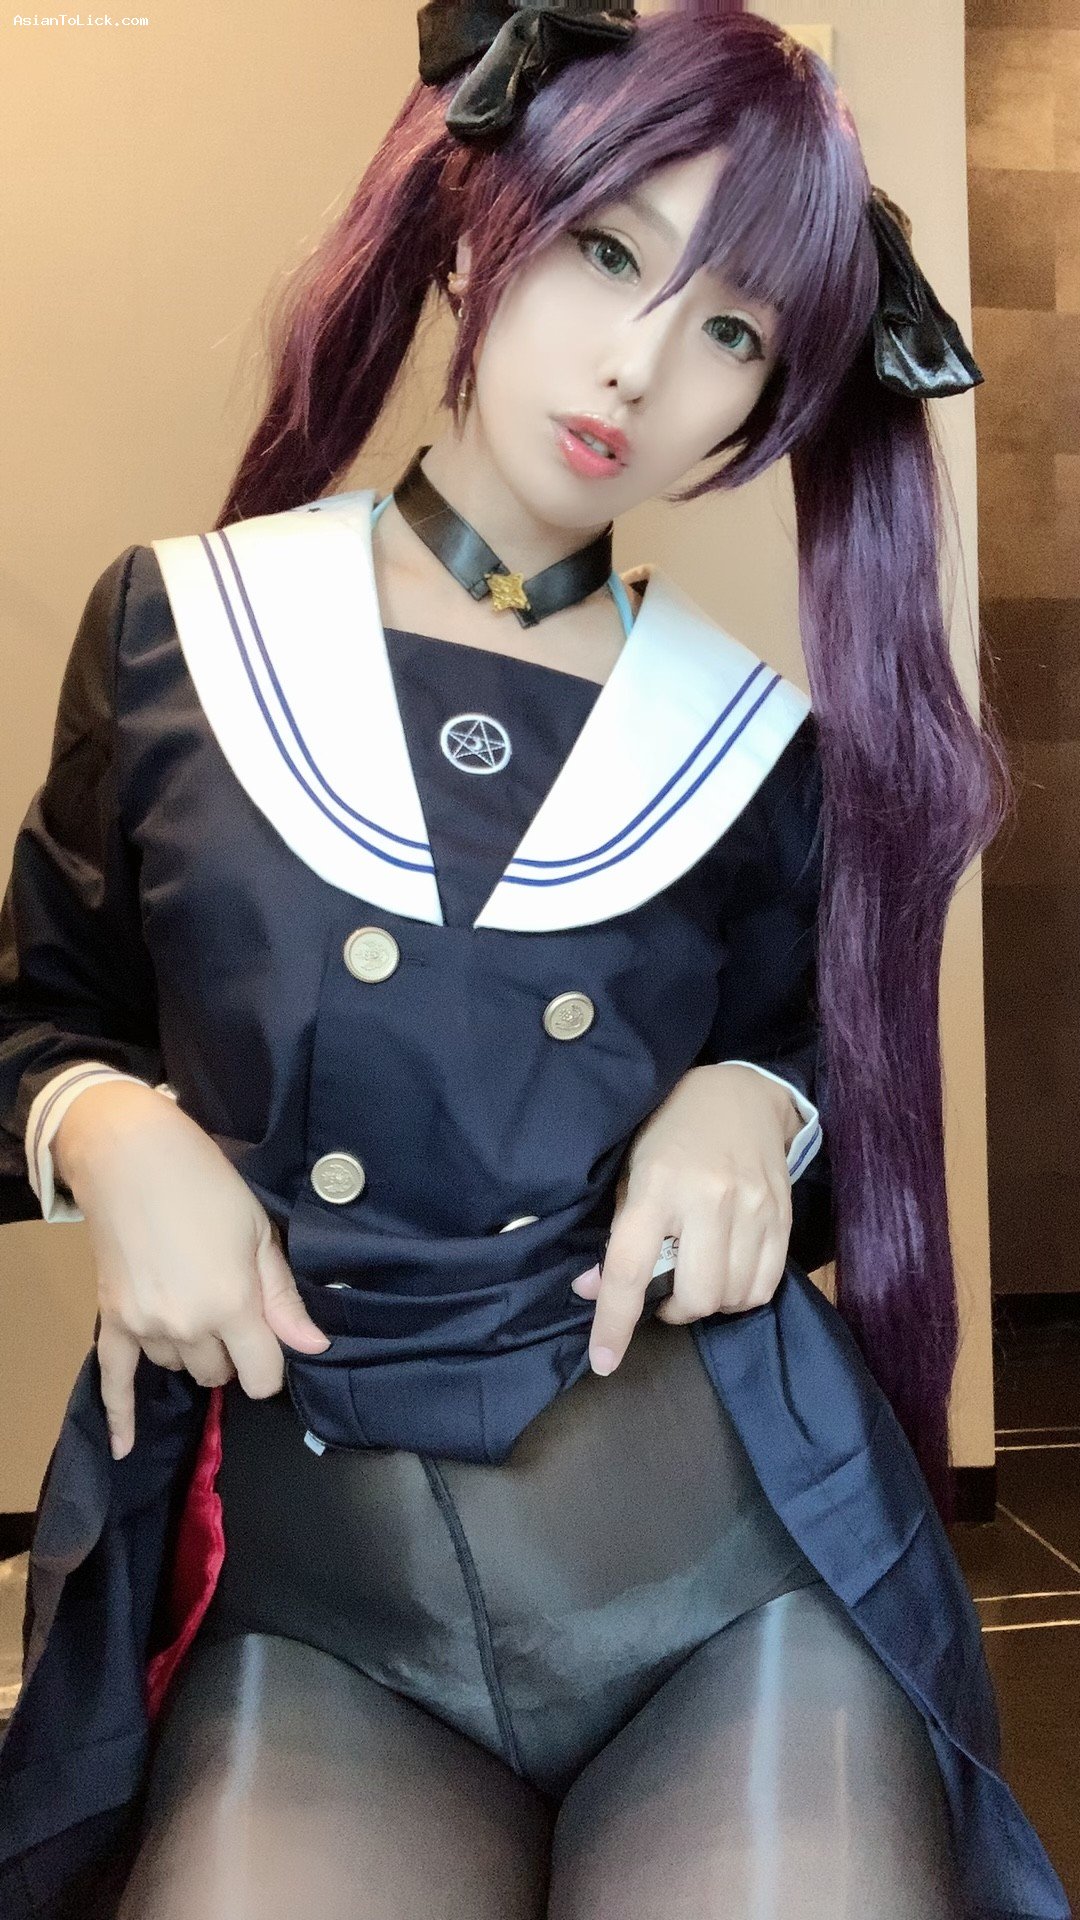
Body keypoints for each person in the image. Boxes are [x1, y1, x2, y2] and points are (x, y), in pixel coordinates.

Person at [0, 3, 1070, 1916]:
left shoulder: (750, 747)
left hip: (725, 1572)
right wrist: (106, 1125)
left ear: (764, 411)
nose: (641, 363)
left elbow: (828, 1090)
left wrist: (755, 1104)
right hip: (325, 1603)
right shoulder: (183, 631)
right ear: (483, 225)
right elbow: (37, 1011)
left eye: (735, 332)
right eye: (606, 249)